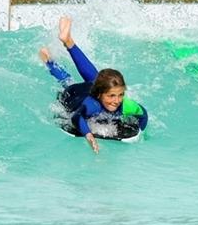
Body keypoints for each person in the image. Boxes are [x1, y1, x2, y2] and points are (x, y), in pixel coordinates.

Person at [39, 16, 148, 154]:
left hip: (93, 87)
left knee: (96, 78)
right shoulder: (93, 105)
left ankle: (68, 42)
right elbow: (76, 117)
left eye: (120, 95)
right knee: (67, 81)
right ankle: (49, 61)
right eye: (112, 96)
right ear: (99, 94)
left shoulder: (126, 105)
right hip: (75, 94)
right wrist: (89, 136)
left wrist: (140, 133)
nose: (116, 100)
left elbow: (143, 114)